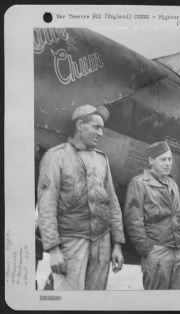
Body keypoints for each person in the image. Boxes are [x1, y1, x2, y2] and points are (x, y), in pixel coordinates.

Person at [37, 104, 125, 290]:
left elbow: (113, 204)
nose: (101, 133)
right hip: (72, 242)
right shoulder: (55, 157)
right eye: (96, 127)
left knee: (95, 304)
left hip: (102, 243)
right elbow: (46, 206)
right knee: (69, 303)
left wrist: (117, 244)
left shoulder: (102, 159)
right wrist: (53, 249)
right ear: (79, 125)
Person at [124, 141, 180, 290]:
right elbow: (133, 221)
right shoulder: (139, 184)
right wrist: (147, 251)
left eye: (170, 159)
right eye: (163, 160)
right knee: (157, 304)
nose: (168, 163)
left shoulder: (172, 184)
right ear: (151, 161)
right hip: (157, 251)